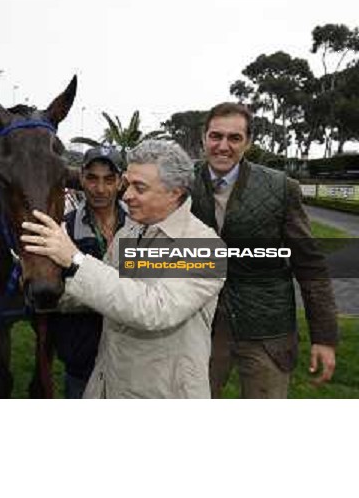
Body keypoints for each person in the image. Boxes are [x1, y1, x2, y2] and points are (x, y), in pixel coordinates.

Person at [22, 140, 225, 398]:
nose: (126, 195)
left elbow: (154, 309)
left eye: (139, 188)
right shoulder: (131, 232)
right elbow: (106, 289)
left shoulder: (205, 246)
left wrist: (75, 258)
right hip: (108, 383)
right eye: (128, 185)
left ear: (175, 192)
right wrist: (47, 291)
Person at [191, 102, 338, 398]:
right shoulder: (181, 180)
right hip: (200, 323)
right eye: (215, 136)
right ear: (203, 138)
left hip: (267, 328)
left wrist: (324, 337)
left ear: (248, 142)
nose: (223, 146)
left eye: (234, 138)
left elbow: (310, 267)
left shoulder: (281, 187)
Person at [48, 146, 128, 398]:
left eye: (109, 179)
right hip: (81, 357)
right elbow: (52, 294)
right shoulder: (62, 228)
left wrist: (87, 287)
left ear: (121, 181)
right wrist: (118, 295)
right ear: (81, 178)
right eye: (92, 178)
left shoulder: (140, 225)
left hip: (131, 355)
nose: (100, 189)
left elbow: (152, 289)